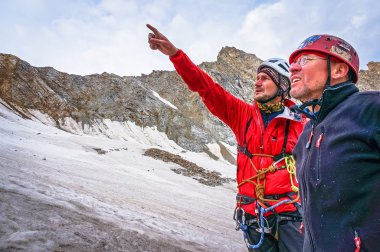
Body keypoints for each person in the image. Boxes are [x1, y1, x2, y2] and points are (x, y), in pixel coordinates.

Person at [147, 24, 305, 252]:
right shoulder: (242, 114)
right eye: (257, 78)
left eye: (265, 78)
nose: (257, 82)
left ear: (282, 86)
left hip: (290, 213)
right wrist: (175, 55)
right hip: (252, 215)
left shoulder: (301, 122)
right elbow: (206, 88)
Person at [289, 34, 380, 251]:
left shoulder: (371, 110)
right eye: (293, 62)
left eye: (305, 60)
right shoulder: (305, 137)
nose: (293, 68)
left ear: (338, 70)